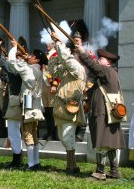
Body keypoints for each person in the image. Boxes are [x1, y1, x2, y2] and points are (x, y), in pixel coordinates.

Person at [76, 47, 125, 180]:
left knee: (101, 142)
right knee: (110, 143)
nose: (98, 60)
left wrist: (82, 52)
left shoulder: (107, 71)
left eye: (101, 59)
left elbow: (92, 65)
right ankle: (114, 171)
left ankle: (100, 172)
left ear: (108, 62)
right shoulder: (108, 74)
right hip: (108, 113)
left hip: (103, 113)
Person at [49, 32, 86, 175]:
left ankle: (72, 166)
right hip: (61, 107)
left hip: (71, 106)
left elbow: (67, 59)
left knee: (67, 137)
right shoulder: (67, 71)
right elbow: (51, 70)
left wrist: (58, 42)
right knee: (64, 137)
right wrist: (56, 56)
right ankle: (71, 165)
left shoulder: (78, 69)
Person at [8, 39, 47, 171]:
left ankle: (31, 164)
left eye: (32, 56)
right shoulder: (38, 71)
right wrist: (26, 58)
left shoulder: (28, 69)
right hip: (36, 105)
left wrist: (14, 48)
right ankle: (35, 162)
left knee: (27, 134)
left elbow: (11, 62)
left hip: (28, 104)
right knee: (34, 134)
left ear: (36, 60)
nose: (29, 56)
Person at [0, 38, 23, 169]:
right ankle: (17, 158)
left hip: (16, 103)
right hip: (15, 102)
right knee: (13, 132)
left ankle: (18, 159)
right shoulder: (19, 68)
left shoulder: (19, 69)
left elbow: (6, 63)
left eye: (18, 57)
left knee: (14, 132)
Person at [41, 41, 59, 141]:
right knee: (47, 110)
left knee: (52, 111)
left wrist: (55, 84)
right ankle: (49, 132)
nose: (47, 44)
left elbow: (57, 71)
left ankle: (53, 133)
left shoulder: (56, 55)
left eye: (50, 43)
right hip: (44, 84)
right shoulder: (46, 55)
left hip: (52, 85)